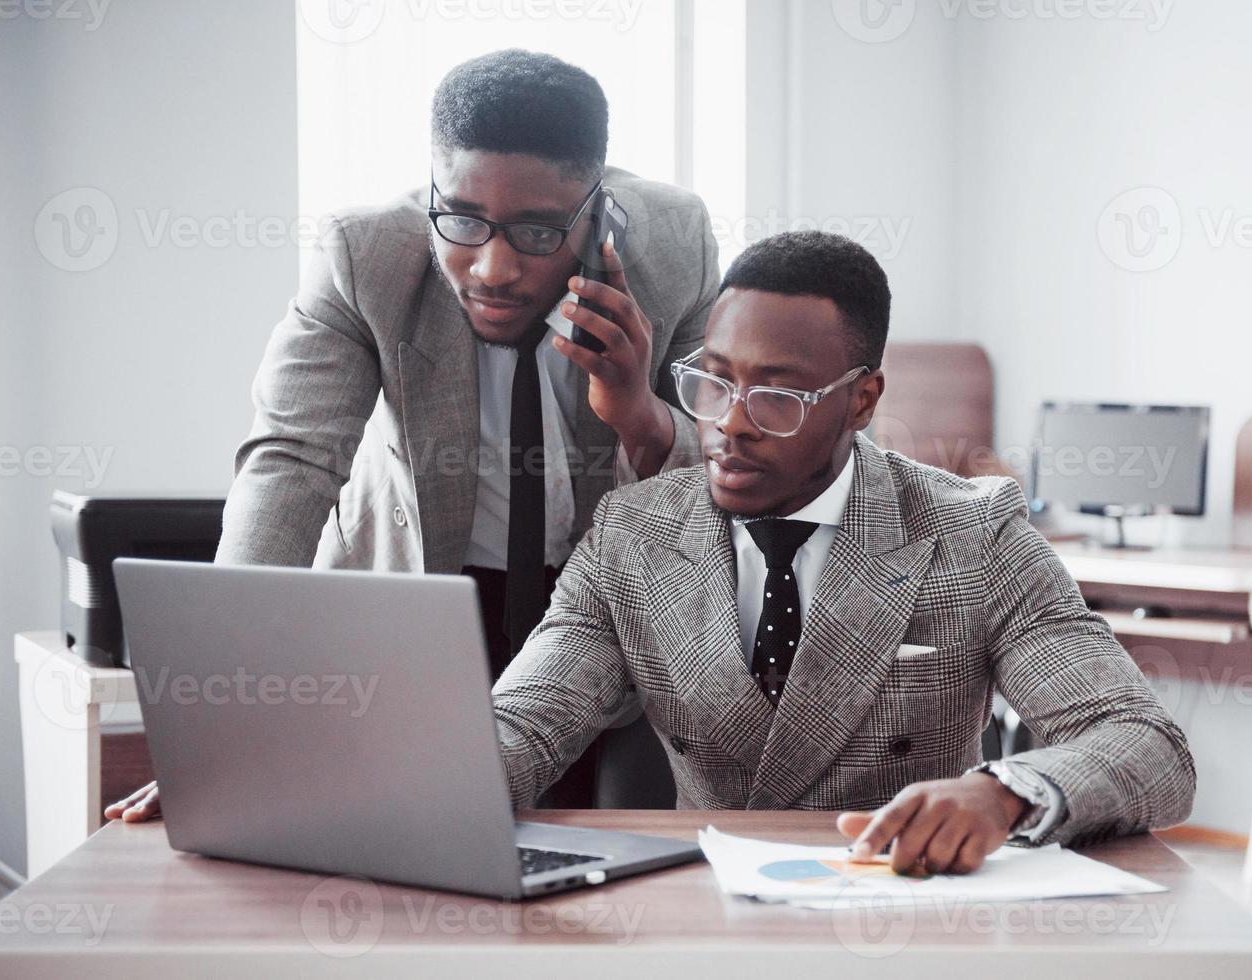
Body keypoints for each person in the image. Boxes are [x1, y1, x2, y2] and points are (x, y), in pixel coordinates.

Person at [106, 48, 715, 822]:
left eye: (535, 232)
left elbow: (721, 476)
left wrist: (640, 412)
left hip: (597, 615)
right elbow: (290, 460)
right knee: (409, 848)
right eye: (461, 218)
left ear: (594, 209)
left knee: (598, 880)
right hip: (421, 603)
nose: (491, 267)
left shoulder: (675, 246)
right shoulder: (368, 256)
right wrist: (221, 721)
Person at [490, 230, 1196, 872]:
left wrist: (1001, 793)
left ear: (861, 401)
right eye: (716, 381)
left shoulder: (977, 537)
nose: (730, 424)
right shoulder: (630, 535)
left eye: (778, 396)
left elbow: (1148, 745)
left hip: (907, 905)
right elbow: (525, 723)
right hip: (705, 906)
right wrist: (420, 786)